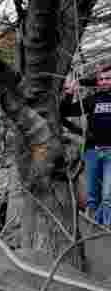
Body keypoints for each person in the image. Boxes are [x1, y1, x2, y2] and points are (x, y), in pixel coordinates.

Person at [62, 63, 111, 224]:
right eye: (101, 79)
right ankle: (93, 226)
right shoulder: (92, 100)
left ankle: (105, 227)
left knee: (107, 196)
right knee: (92, 197)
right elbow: (65, 112)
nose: (104, 82)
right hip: (92, 152)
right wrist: (70, 92)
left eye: (108, 78)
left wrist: (84, 81)